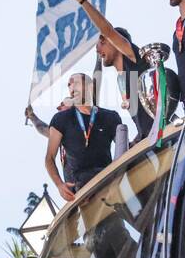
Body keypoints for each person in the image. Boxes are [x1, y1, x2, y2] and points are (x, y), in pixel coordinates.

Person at [61, 0, 179, 141]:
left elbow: (107, 29)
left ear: (115, 42)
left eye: (102, 42)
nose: (98, 49)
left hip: (166, 134)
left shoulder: (135, 59)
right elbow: (143, 120)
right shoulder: (121, 80)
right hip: (150, 139)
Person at [44, 72, 126, 202]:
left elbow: (123, 150)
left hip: (109, 182)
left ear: (90, 86)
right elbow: (49, 158)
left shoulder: (111, 117)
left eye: (75, 83)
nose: (71, 88)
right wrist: (59, 185)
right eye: (69, 85)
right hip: (82, 191)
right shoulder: (60, 119)